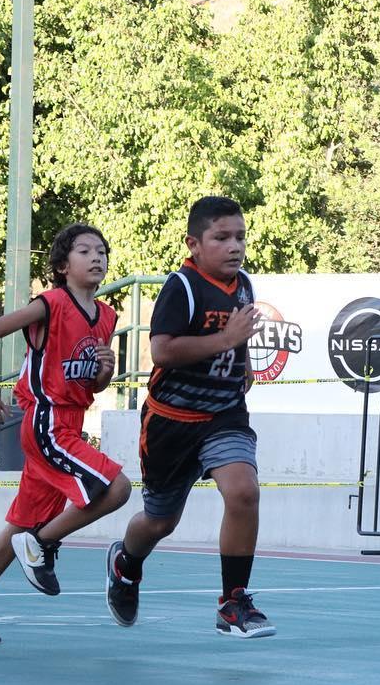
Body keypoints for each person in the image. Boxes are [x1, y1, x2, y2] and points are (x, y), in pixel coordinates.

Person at [104, 196, 272, 637]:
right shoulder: (182, 286)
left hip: (223, 415)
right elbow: (162, 350)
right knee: (160, 521)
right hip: (171, 422)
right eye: (222, 238)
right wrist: (224, 341)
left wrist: (243, 364)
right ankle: (126, 563)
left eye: (240, 236)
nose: (234, 246)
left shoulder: (245, 285)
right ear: (194, 244)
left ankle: (233, 602)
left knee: (244, 493)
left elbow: (238, 340)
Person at [0, 225, 132, 645]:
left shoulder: (106, 316)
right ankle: (43, 545)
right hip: (46, 422)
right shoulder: (51, 304)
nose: (96, 257)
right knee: (118, 488)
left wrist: (105, 373)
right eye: (84, 250)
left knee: (19, 525)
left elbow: (89, 386)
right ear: (61, 265)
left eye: (102, 250)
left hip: (70, 421)